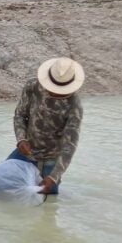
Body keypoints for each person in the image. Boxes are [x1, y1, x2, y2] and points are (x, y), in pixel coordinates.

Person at [10, 57, 85, 195]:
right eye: (53, 89)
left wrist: (53, 177)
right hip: (25, 152)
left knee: (47, 202)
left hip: (51, 160)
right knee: (1, 185)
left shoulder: (74, 106)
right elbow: (20, 115)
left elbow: (69, 146)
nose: (55, 93)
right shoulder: (32, 87)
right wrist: (21, 139)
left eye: (60, 91)